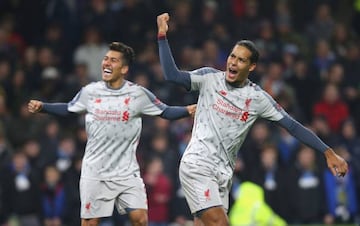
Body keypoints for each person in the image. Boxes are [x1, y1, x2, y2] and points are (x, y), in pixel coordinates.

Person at [156, 13, 348, 226]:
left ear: (252, 66)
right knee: (220, 223)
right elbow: (172, 75)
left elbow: (292, 126)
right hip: (198, 164)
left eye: (241, 59)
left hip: (223, 172)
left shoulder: (257, 98)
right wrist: (162, 36)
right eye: (232, 56)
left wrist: (327, 152)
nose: (234, 62)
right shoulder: (209, 78)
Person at [28, 41, 196, 226]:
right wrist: (44, 107)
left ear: (124, 69)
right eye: (106, 59)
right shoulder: (90, 91)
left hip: (126, 171)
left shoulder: (137, 94)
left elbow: (165, 111)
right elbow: (69, 108)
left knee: (140, 219)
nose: (106, 63)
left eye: (113, 60)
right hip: (95, 172)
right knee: (90, 223)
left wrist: (187, 110)